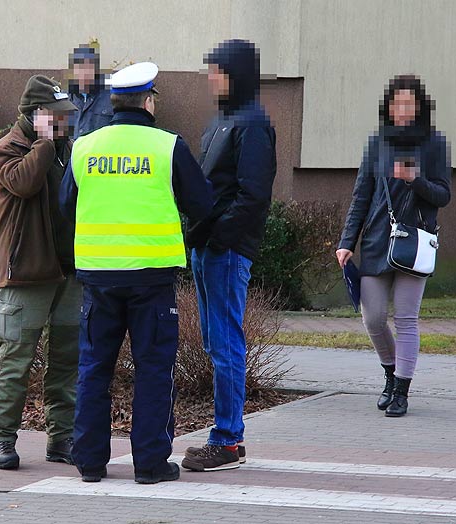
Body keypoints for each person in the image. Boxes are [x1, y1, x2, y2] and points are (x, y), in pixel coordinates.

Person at [59, 62, 213, 484]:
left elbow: (66, 205)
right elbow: (203, 205)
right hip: (152, 280)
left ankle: (90, 463)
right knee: (153, 369)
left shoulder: (85, 146)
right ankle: (149, 464)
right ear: (148, 101)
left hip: (98, 280)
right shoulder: (167, 146)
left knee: (94, 370)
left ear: (113, 103)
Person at [181, 40, 277, 472]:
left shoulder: (253, 123)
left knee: (225, 343)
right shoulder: (222, 120)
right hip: (208, 247)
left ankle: (227, 440)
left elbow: (253, 195)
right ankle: (227, 437)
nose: (210, 78)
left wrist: (219, 239)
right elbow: (209, 187)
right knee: (215, 341)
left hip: (226, 250)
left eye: (215, 70)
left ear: (234, 73)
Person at [336, 75, 451, 417]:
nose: (402, 110)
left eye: (409, 104)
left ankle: (401, 389)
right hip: (375, 241)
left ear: (420, 107)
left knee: (405, 319)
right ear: (388, 107)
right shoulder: (377, 144)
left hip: (414, 244)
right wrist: (346, 242)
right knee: (372, 318)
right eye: (396, 103)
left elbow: (444, 195)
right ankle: (390, 371)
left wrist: (415, 181)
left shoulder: (433, 144)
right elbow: (361, 196)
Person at [0, 75, 81, 469]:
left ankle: (62, 440)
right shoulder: (7, 149)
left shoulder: (67, 151)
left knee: (67, 361)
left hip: (68, 274)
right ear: (36, 115)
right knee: (15, 359)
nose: (65, 122)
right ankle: (2, 439)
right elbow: (24, 184)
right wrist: (44, 141)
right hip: (26, 274)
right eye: (57, 115)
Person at [66, 43, 113, 139]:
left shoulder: (110, 97)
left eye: (88, 68)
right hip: (72, 152)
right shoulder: (66, 98)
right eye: (80, 68)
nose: (84, 73)